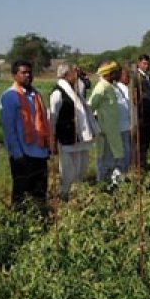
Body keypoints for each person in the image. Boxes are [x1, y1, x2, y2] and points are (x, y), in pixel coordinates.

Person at [0, 60, 50, 207]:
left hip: (39, 151)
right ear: (15, 75)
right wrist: (16, 153)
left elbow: (44, 122)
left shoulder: (36, 95)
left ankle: (40, 219)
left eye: (29, 72)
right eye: (23, 72)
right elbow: (9, 128)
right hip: (23, 153)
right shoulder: (9, 96)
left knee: (40, 191)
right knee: (22, 192)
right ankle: (20, 222)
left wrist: (48, 146)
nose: (28, 75)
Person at [49, 64, 99, 201]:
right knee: (67, 169)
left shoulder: (75, 90)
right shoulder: (58, 93)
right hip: (66, 136)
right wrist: (52, 139)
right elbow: (53, 118)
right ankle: (64, 195)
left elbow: (85, 84)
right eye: (73, 73)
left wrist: (81, 74)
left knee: (81, 167)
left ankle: (76, 194)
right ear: (66, 75)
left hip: (79, 136)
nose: (76, 76)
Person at [88, 61, 124, 184]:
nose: (116, 75)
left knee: (114, 160)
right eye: (114, 73)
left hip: (113, 132)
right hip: (105, 133)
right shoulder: (101, 88)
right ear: (108, 74)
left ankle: (112, 186)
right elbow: (90, 108)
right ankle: (102, 186)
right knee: (104, 161)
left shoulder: (110, 87)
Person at [134, 54, 150, 169]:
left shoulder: (148, 76)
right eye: (144, 63)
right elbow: (134, 95)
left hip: (149, 114)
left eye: (148, 63)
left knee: (147, 140)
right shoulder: (136, 77)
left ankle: (143, 162)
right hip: (141, 114)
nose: (146, 66)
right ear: (139, 63)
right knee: (141, 141)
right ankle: (139, 164)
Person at [114, 67, 133, 173]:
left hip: (125, 125)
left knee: (126, 151)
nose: (128, 78)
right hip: (119, 126)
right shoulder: (117, 88)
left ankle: (124, 172)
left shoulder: (122, 88)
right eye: (126, 75)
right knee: (121, 154)